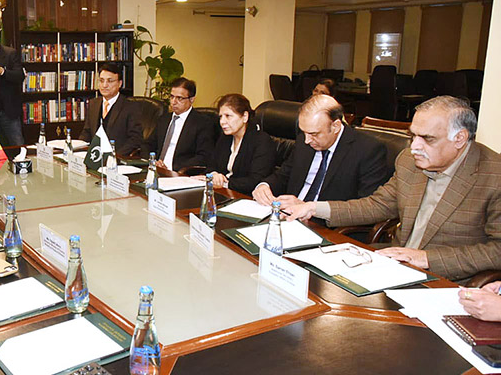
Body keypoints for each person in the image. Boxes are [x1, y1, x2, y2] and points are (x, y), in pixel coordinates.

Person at [284, 96, 501, 281]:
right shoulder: (409, 161)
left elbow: (497, 250)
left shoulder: (494, 176)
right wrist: (313, 208)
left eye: (427, 139)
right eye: (413, 135)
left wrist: (426, 258)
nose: (414, 147)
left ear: (460, 138)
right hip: (393, 265)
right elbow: (378, 205)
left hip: (447, 280)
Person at [252, 94, 389, 207]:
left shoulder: (368, 150)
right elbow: (284, 175)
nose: (307, 140)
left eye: (314, 134)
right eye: (304, 132)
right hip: (288, 217)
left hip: (328, 227)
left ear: (335, 126)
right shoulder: (304, 142)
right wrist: (264, 186)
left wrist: (308, 208)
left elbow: (366, 207)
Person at [204, 93, 275, 194]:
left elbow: (255, 181)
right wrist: (214, 174)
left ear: (245, 117)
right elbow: (211, 165)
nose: (222, 122)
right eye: (220, 117)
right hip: (223, 192)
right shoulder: (225, 138)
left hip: (245, 197)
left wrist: (224, 183)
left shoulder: (262, 141)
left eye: (228, 116)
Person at [143, 77, 214, 172]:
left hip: (180, 173)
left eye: (179, 98)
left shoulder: (203, 123)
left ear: (192, 99)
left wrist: (172, 168)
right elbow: (148, 145)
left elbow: (203, 156)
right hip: (156, 170)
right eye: (172, 97)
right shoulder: (164, 119)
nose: (173, 102)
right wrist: (153, 161)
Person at [79, 62, 143, 156]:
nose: (104, 85)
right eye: (101, 80)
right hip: (94, 157)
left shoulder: (130, 107)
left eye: (110, 81)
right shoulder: (94, 104)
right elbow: (87, 132)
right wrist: (78, 147)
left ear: (119, 84)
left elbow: (135, 139)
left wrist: (115, 156)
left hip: (116, 159)